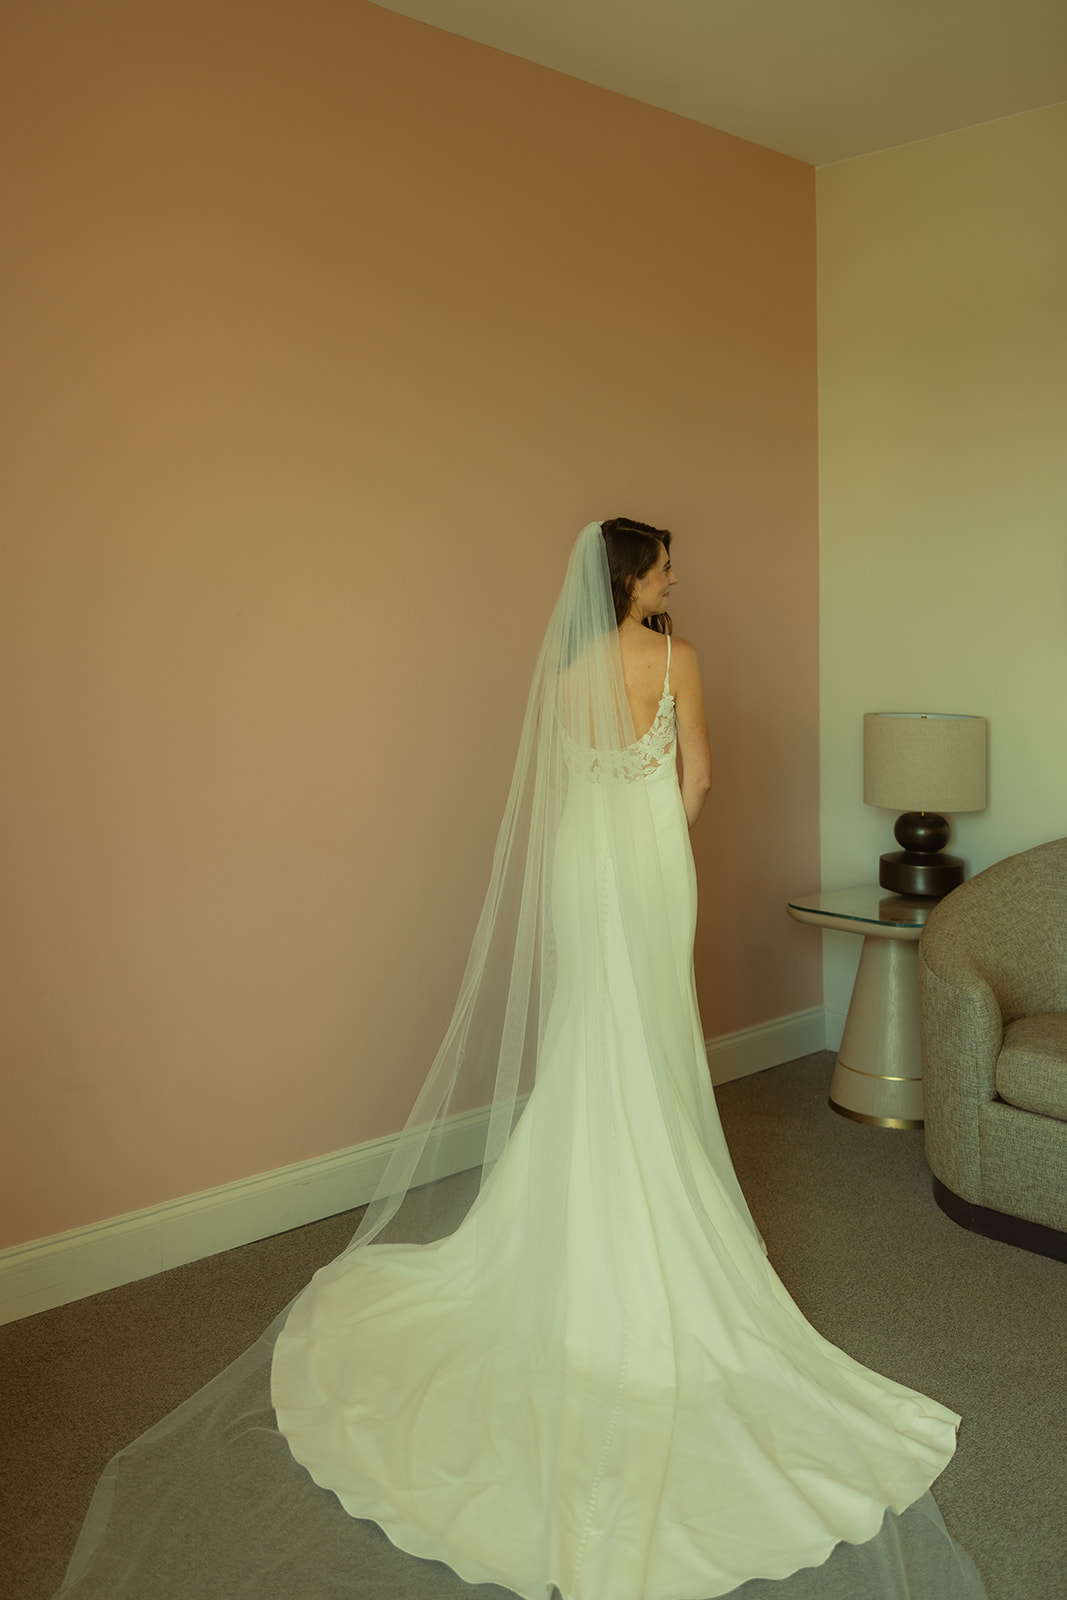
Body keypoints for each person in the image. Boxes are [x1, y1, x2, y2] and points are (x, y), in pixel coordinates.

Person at [55, 520, 985, 1600]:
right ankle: (648, 1217)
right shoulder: (674, 658)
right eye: (665, 564)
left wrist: (617, 822)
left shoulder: (563, 677)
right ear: (631, 575)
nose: (676, 578)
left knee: (590, 1040)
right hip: (643, 867)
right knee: (646, 1037)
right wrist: (657, 841)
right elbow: (697, 782)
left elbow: (566, 791)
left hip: (581, 869)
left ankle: (577, 1214)